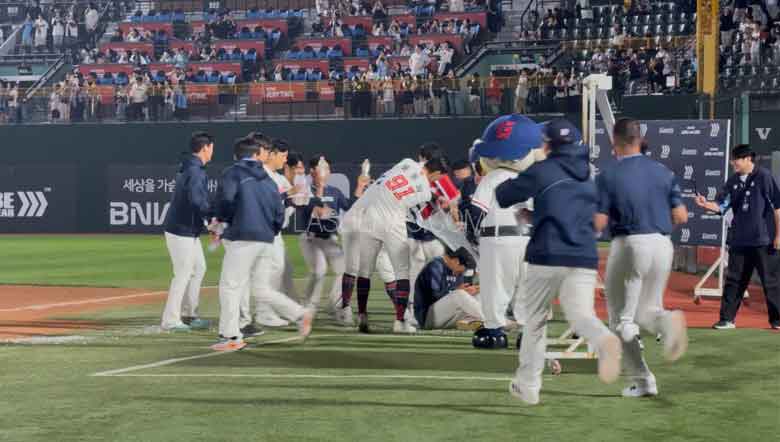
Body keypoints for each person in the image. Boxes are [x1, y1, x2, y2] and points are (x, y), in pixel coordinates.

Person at [495, 118, 622, 405]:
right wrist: (538, 215)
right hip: (584, 254)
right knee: (581, 316)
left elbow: (503, 195)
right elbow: (582, 214)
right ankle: (603, 339)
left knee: (535, 321)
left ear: (548, 144)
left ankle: (528, 387)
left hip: (547, 253)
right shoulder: (590, 174)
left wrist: (513, 171)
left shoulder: (543, 169)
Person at [594, 118, 690, 398]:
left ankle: (644, 381)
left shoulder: (608, 174)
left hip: (630, 243)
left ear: (614, 141)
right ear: (639, 139)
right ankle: (667, 322)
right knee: (646, 312)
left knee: (621, 321)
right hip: (662, 244)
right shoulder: (663, 171)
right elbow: (681, 215)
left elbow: (599, 222)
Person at [213, 137, 313, 351]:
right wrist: (272, 230)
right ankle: (299, 313)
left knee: (230, 286)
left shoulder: (233, 172)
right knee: (260, 288)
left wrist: (222, 220)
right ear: (256, 154)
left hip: (243, 236)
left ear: (236, 156)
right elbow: (278, 209)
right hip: (268, 239)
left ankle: (231, 336)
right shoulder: (268, 178)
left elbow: (226, 201)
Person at [335, 157, 446, 334]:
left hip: (365, 216)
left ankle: (358, 313)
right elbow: (416, 207)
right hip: (388, 221)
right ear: (437, 173)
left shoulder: (407, 162)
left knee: (362, 270)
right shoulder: (425, 191)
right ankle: (400, 319)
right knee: (399, 271)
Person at [468, 114, 547, 349]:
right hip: (527, 238)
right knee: (526, 285)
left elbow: (476, 211)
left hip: (496, 238)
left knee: (495, 285)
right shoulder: (532, 179)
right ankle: (527, 332)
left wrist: (471, 235)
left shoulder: (490, 178)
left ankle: (494, 330)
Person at [695, 144, 780, 330]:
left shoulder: (764, 176)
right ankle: (727, 319)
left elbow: (778, 207)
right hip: (739, 240)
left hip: (764, 240)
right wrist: (706, 204)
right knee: (734, 281)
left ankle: (777, 320)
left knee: (771, 281)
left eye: (736, 159)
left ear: (748, 159)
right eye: (733, 159)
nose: (733, 162)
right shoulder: (732, 181)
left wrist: (778, 235)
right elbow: (721, 205)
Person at [160, 132, 215, 332]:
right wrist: (212, 219)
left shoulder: (192, 167)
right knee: (182, 273)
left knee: (199, 268)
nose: (212, 151)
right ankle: (170, 321)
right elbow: (197, 201)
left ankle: (189, 314)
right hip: (181, 229)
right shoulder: (194, 171)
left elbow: (197, 200)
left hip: (188, 229)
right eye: (211, 147)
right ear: (205, 148)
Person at [299, 155, 364, 313]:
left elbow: (350, 208)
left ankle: (335, 304)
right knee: (319, 270)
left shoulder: (334, 191)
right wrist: (320, 190)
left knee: (345, 270)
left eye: (327, 168)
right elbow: (314, 211)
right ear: (312, 171)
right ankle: (307, 307)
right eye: (322, 167)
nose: (325, 171)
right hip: (311, 238)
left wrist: (360, 186)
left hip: (330, 239)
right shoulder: (304, 190)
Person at [414, 247, 483, 330]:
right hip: (427, 317)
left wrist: (471, 291)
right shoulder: (435, 266)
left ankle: (470, 322)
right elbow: (435, 296)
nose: (463, 272)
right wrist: (456, 290)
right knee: (459, 294)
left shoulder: (455, 270)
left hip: (446, 317)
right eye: (464, 269)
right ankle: (490, 320)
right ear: (456, 261)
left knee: (477, 294)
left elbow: (459, 298)